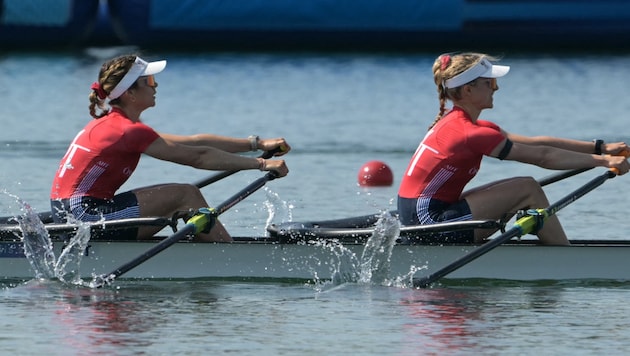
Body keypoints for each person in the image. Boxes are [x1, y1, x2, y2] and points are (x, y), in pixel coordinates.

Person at [50, 54, 290, 242]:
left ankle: (212, 249)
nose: (156, 86)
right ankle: (228, 257)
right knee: (185, 195)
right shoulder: (128, 130)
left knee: (183, 196)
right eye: (150, 81)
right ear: (130, 94)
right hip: (83, 217)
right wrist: (261, 164)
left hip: (69, 213)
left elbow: (195, 142)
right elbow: (199, 157)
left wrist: (256, 144)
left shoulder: (113, 125)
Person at [397, 52, 630, 246]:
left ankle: (557, 251)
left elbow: (538, 143)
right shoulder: (471, 133)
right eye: (490, 83)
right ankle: (566, 260)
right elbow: (544, 157)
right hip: (429, 224)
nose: (496, 89)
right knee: (528, 189)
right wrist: (604, 162)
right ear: (467, 91)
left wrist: (600, 148)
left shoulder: (461, 124)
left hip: (420, 216)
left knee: (524, 186)